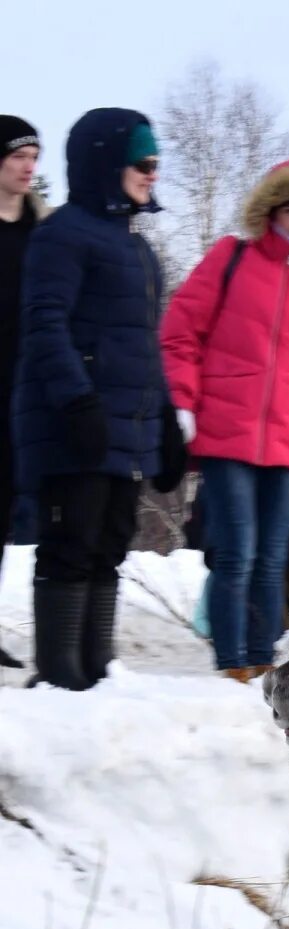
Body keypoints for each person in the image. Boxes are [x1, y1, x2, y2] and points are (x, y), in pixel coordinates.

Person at [13, 108, 186, 690]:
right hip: (73, 427)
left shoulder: (139, 250)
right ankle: (61, 676)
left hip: (125, 431)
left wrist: (162, 420)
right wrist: (76, 403)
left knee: (110, 545)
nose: (150, 174)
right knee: (72, 544)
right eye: (141, 162)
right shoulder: (61, 235)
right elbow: (43, 326)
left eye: (155, 164)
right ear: (106, 164)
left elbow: (144, 347)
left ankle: (95, 675)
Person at [160, 158, 289, 680]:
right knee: (237, 553)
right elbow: (179, 332)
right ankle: (231, 663)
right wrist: (182, 401)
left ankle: (261, 660)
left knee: (271, 560)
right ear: (271, 210)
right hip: (227, 436)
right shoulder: (232, 258)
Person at [0, 114, 48, 669]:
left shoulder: (40, 229)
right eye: (17, 155)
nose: (28, 166)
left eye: (33, 156)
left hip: (20, 393)